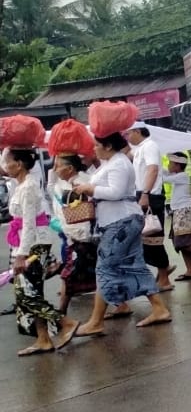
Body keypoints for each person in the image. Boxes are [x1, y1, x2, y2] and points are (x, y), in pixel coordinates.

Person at [73, 130, 172, 334]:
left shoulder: (118, 163)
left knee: (104, 267)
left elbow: (116, 192)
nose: (93, 148)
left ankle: (96, 320)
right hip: (121, 220)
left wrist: (90, 190)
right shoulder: (112, 163)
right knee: (135, 266)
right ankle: (158, 308)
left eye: (96, 144)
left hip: (121, 221)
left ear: (108, 145)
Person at [4, 144, 79, 355]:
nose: (4, 165)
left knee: (24, 293)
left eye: (7, 161)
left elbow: (28, 223)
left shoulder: (28, 187)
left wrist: (21, 254)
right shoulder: (21, 185)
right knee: (32, 291)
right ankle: (43, 339)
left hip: (33, 244)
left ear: (18, 164)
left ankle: (65, 322)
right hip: (29, 242)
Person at [126, 123, 174, 292]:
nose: (127, 137)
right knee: (145, 239)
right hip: (142, 193)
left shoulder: (150, 145)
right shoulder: (140, 148)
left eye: (128, 133)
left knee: (153, 238)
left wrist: (146, 193)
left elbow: (152, 170)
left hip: (150, 195)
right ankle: (163, 272)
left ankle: (164, 277)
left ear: (138, 131)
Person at [50, 149, 98, 309]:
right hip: (73, 236)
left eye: (57, 166)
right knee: (99, 274)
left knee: (67, 276)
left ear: (70, 168)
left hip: (85, 237)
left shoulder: (85, 182)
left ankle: (61, 315)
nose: (55, 170)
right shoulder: (61, 184)